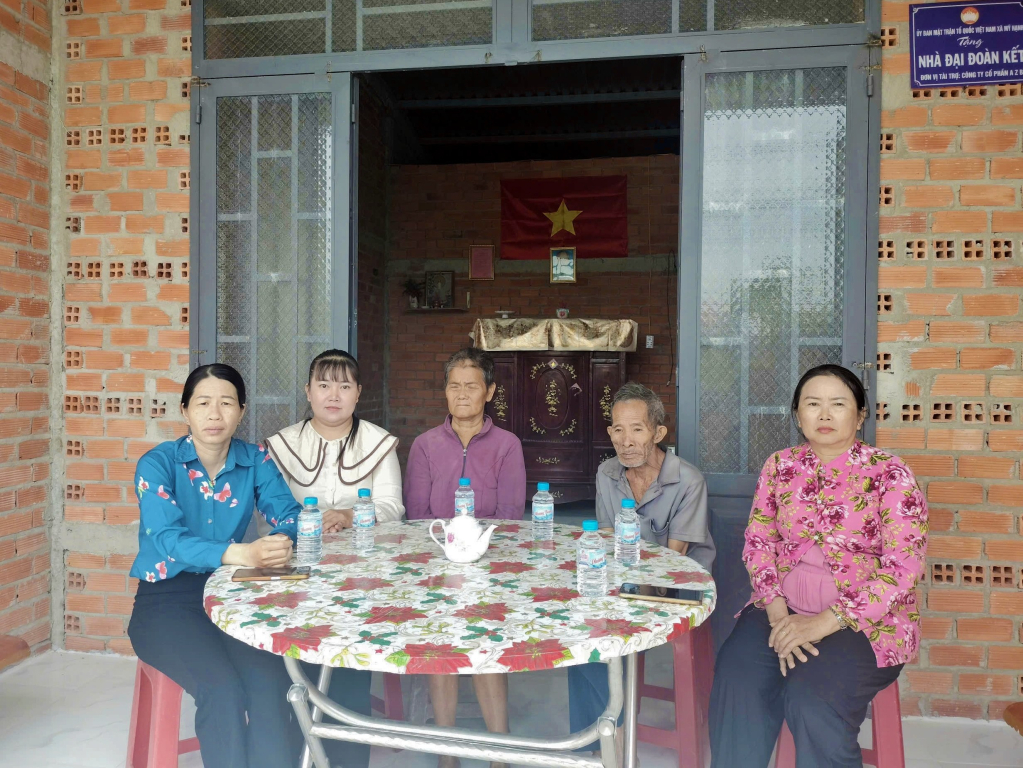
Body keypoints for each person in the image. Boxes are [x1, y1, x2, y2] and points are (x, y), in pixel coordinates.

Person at [709, 364, 928, 767]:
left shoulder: (890, 473)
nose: (824, 414)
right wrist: (778, 615)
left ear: (860, 416)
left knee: (812, 699)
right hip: (781, 608)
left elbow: (904, 567)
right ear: (798, 415)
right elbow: (759, 542)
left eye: (838, 404)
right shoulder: (780, 466)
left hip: (865, 624)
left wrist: (823, 622)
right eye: (813, 404)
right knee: (737, 678)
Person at [126, 364, 302, 768]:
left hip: (231, 594)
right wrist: (243, 554)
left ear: (241, 411)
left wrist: (279, 542)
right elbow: (167, 539)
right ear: (185, 410)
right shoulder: (158, 463)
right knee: (220, 688)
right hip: (164, 602)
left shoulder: (255, 459)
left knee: (269, 681)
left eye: (226, 403)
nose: (214, 414)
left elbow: (290, 514)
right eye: (203, 403)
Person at [264, 348, 404, 768]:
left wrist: (349, 514)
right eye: (323, 385)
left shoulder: (378, 443)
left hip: (362, 571)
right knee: (291, 658)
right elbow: (270, 509)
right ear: (308, 391)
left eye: (344, 386)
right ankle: (295, 745)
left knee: (347, 659)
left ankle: (345, 753)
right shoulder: (283, 444)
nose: (333, 395)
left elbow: (393, 508)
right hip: (297, 567)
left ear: (358, 393)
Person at [568, 381, 716, 751]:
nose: (626, 441)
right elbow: (605, 538)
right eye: (618, 429)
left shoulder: (688, 480)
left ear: (658, 433)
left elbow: (674, 560)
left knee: (603, 639)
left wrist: (619, 593)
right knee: (579, 632)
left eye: (637, 429)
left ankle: (611, 739)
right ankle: (592, 743)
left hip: (677, 587)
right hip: (625, 582)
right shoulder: (608, 473)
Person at [404, 347, 527, 768]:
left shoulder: (507, 445)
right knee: (441, 647)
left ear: (489, 392)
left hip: (491, 566)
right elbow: (417, 516)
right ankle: (447, 753)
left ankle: (499, 752)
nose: (461, 394)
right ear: (444, 391)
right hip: (436, 564)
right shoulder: (425, 445)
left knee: (487, 645)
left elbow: (509, 517)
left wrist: (475, 552)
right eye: (453, 386)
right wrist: (449, 554)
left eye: (471, 386)